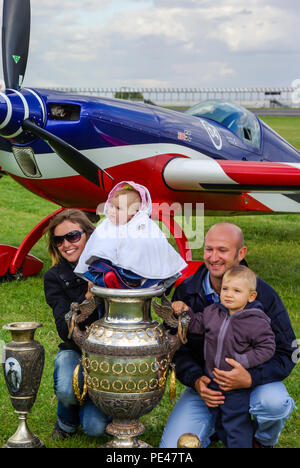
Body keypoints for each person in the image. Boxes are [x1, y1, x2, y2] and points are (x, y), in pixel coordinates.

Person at [160, 222, 296, 448]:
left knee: (274, 404)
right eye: (209, 249)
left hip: (252, 385)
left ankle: (262, 441)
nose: (213, 258)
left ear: (240, 253)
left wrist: (251, 377)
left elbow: (288, 351)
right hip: (207, 386)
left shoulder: (264, 295)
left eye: (222, 250)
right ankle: (212, 425)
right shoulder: (188, 291)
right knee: (173, 450)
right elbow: (176, 347)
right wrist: (195, 379)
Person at [172, 265, 276, 448]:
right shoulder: (213, 312)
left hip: (234, 384)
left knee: (234, 424)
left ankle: (246, 443)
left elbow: (267, 347)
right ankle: (227, 436)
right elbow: (196, 325)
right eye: (225, 289)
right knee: (219, 420)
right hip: (212, 379)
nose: (228, 294)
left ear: (251, 296)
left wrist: (242, 362)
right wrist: (185, 312)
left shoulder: (255, 320)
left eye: (236, 291)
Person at [44, 209, 111, 439]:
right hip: (76, 350)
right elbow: (65, 331)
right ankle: (66, 422)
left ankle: (96, 402)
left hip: (110, 355)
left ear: (89, 235)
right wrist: (88, 299)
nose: (66, 244)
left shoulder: (110, 267)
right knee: (66, 389)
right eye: (59, 240)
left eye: (73, 236)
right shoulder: (54, 277)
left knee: (95, 429)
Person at [74, 181, 187, 289]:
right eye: (111, 206)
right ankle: (110, 280)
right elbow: (96, 244)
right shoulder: (107, 224)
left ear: (134, 212)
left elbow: (151, 242)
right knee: (98, 266)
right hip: (110, 266)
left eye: (118, 208)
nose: (112, 211)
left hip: (132, 271)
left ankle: (141, 282)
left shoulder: (140, 224)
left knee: (142, 268)